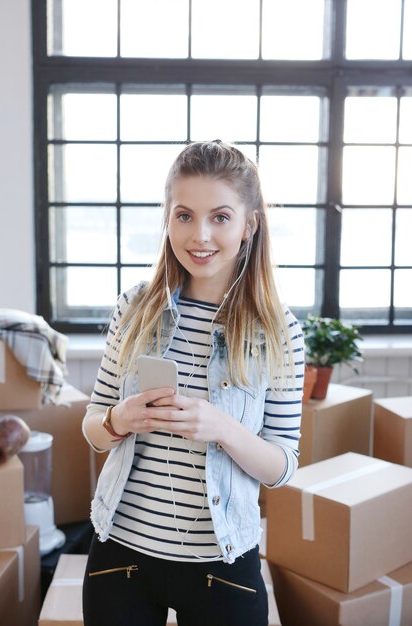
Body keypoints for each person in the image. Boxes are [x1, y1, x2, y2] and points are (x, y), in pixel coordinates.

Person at [82, 140, 304, 626]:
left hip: (221, 565)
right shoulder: (135, 308)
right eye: (184, 215)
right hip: (120, 554)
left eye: (220, 217)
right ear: (168, 219)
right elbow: (94, 429)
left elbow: (283, 466)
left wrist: (221, 427)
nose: (199, 235)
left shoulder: (278, 331)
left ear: (249, 224)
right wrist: (121, 419)